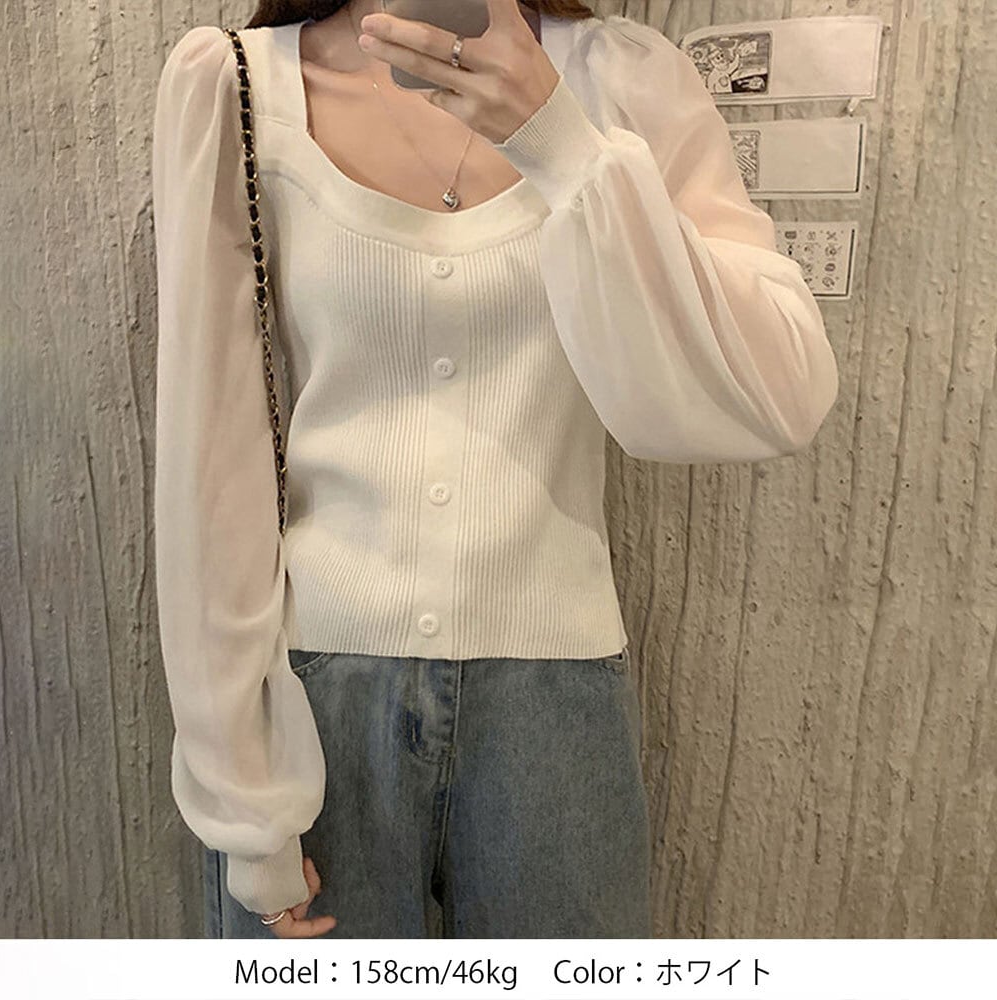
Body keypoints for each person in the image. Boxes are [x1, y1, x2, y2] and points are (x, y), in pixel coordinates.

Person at [151, 0, 839, 939]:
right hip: (318, 706)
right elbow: (210, 461)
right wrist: (245, 801)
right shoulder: (237, 89)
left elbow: (782, 391)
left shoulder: (624, 82)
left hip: (557, 707)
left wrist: (558, 139)